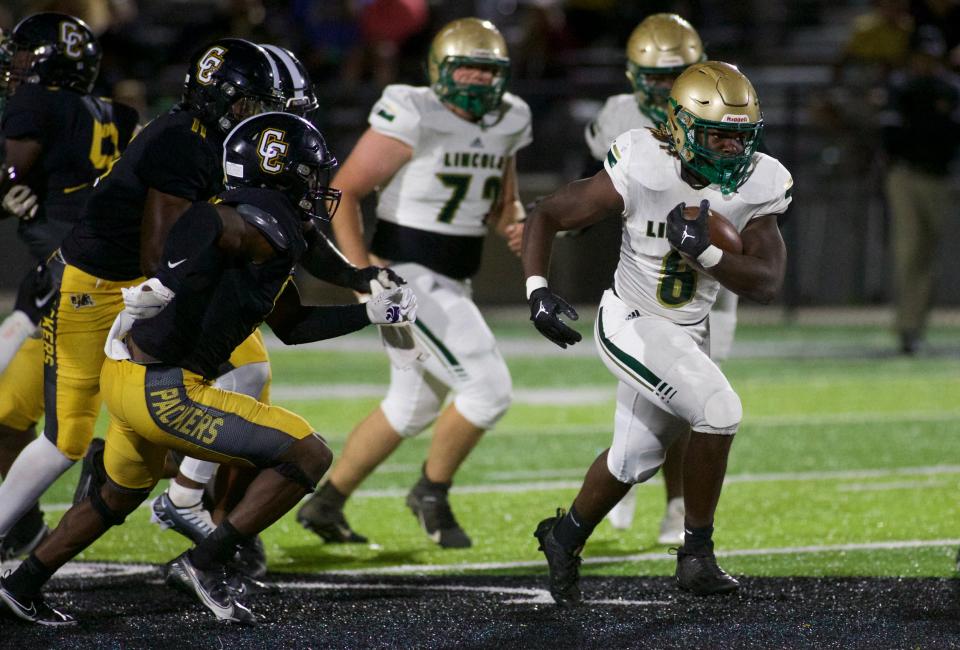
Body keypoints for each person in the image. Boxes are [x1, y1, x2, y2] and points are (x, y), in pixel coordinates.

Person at [0, 111, 418, 626]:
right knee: (308, 454)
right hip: (166, 391)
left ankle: (22, 584)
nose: (318, 185)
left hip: (132, 381)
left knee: (117, 494)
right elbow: (209, 224)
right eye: (310, 173)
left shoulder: (268, 220)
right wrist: (166, 280)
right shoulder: (257, 220)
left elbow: (291, 323)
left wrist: (369, 310)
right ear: (282, 173)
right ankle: (204, 561)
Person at [0, 37, 285, 559]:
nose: (258, 116)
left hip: (146, 288)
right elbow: (160, 254)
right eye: (250, 103)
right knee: (66, 437)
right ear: (222, 100)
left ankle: (185, 496)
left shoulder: (210, 139)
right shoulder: (186, 142)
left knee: (247, 369)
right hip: (97, 286)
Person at [522, 61, 792, 605]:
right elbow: (549, 212)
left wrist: (708, 251)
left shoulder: (761, 181)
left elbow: (767, 282)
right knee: (720, 409)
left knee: (632, 460)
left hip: (688, 330)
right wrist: (536, 289)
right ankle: (697, 554)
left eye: (742, 137)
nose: (732, 150)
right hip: (631, 321)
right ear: (680, 127)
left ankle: (564, 536)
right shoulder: (643, 163)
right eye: (718, 134)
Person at [296, 17, 530, 548]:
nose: (474, 80)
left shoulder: (511, 116)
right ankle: (431, 491)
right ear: (438, 70)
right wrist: (361, 275)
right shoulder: (413, 109)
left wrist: (516, 223)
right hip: (407, 274)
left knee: (413, 404)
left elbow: (500, 199)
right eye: (464, 68)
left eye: (485, 70)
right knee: (489, 391)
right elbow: (346, 191)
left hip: (453, 276)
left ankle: (326, 503)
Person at [145, 43, 322, 579]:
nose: (284, 122)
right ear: (235, 100)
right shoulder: (186, 142)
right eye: (272, 105)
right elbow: (167, 246)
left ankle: (209, 516)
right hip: (143, 292)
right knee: (70, 435)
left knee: (249, 386)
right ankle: (189, 502)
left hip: (171, 289)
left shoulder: (225, 149)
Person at [0, 12, 138, 560]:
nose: (13, 67)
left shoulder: (35, 104)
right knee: (14, 413)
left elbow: (14, 176)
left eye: (21, 56)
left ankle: (102, 481)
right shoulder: (116, 113)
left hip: (72, 280)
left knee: (64, 431)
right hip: (100, 270)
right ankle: (24, 522)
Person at [583, 12, 708, 544]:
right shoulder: (617, 114)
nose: (662, 87)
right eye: (653, 77)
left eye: (672, 75)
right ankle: (630, 469)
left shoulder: (716, 101)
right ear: (634, 75)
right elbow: (603, 187)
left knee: (694, 392)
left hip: (705, 272)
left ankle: (675, 501)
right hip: (644, 261)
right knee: (650, 380)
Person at [880, 26, 960, 354]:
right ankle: (908, 328)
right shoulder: (902, 88)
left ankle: (918, 325)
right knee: (909, 252)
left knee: (930, 255)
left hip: (941, 178)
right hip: (907, 176)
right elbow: (892, 138)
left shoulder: (950, 89)